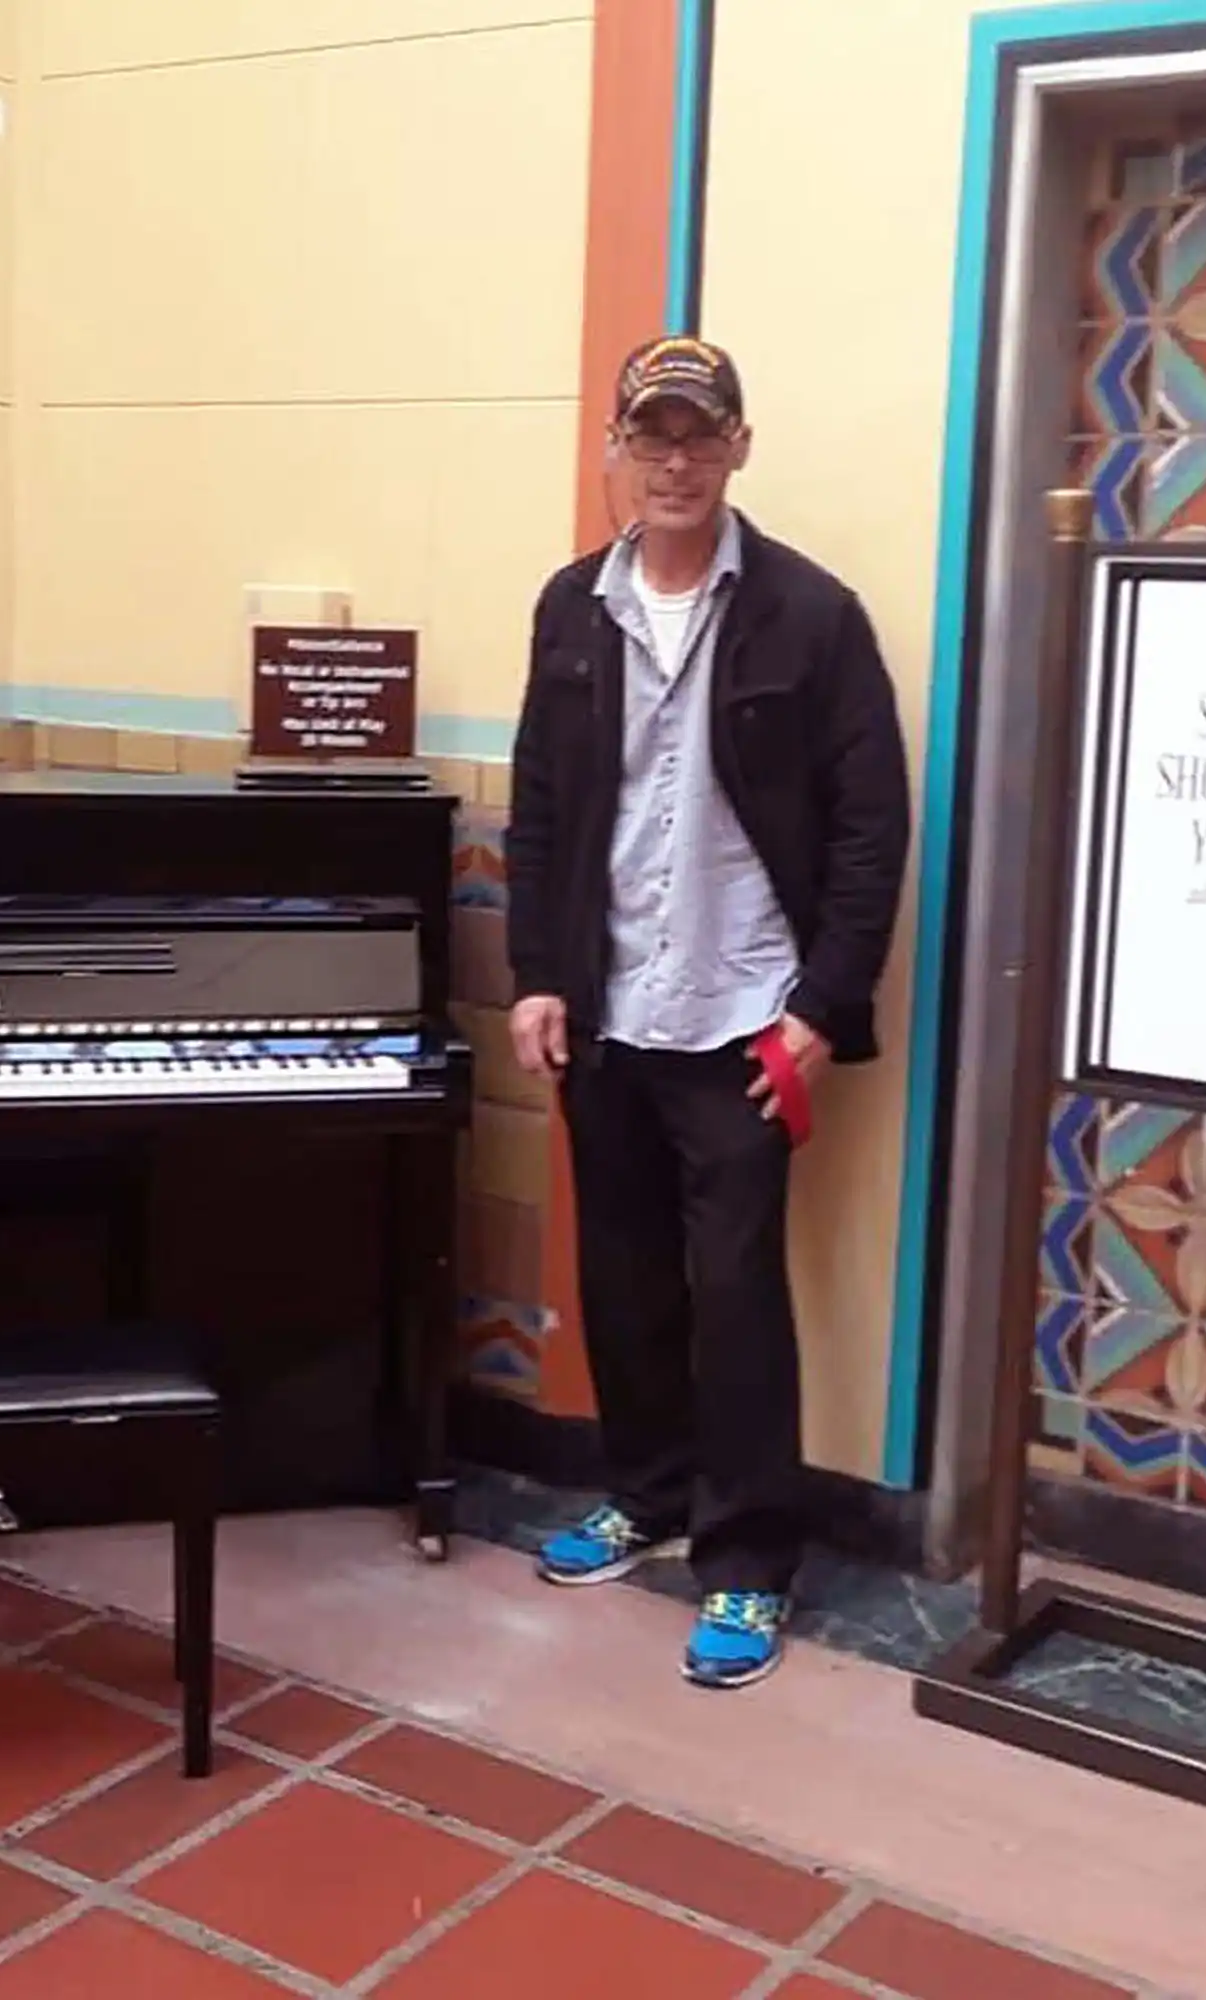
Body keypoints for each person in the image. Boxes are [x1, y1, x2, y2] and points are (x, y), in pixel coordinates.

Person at [503, 335, 911, 1689]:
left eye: (699, 435)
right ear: (617, 452)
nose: (672, 461)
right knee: (621, 1281)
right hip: (607, 1014)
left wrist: (818, 1007)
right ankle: (648, 1494)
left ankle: (745, 1565)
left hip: (741, 1021)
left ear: (739, 447)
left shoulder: (811, 614)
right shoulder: (572, 608)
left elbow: (870, 826)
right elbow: (544, 808)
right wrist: (538, 976)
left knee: (733, 1295)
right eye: (649, 436)